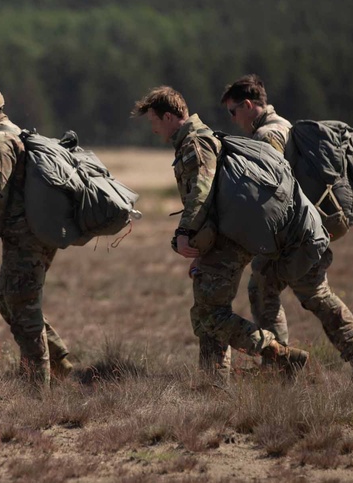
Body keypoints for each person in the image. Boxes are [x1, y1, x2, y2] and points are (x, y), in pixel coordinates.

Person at [131, 85, 310, 383]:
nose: (152, 130)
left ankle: (280, 355)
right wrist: (201, 250)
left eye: (153, 122)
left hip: (227, 241)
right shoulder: (196, 139)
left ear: (168, 117)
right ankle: (213, 384)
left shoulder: (194, 143)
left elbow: (200, 193)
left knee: (210, 316)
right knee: (209, 312)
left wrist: (185, 233)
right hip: (221, 240)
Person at [220, 75, 353, 378]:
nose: (233, 120)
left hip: (299, 237)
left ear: (247, 105)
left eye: (233, 112)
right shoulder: (283, 125)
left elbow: (264, 193)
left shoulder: (268, 136)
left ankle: (281, 364)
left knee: (267, 288)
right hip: (309, 233)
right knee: (310, 293)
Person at [0, 81, 73, 387]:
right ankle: (61, 365)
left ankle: (37, 389)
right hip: (37, 232)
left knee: (21, 304)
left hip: (26, 235)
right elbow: (5, 185)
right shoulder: (13, 132)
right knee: (9, 299)